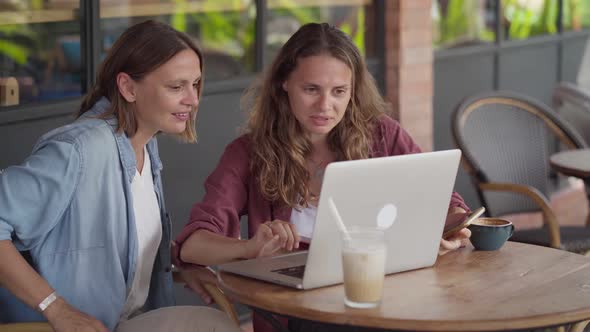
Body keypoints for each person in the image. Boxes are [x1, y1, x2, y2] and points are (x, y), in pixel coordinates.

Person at [174, 22, 471, 331]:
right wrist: (249, 249)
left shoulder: (383, 136)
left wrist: (452, 229)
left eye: (339, 91)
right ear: (284, 83)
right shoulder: (250, 153)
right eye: (311, 89)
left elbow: (448, 205)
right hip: (301, 314)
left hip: (390, 299)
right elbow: (193, 245)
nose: (325, 106)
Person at [0, 20, 239, 332]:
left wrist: (174, 268)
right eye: (176, 86)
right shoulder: (79, 150)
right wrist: (56, 308)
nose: (193, 99)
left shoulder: (145, 146)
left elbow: (122, 248)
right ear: (128, 87)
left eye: (195, 84)